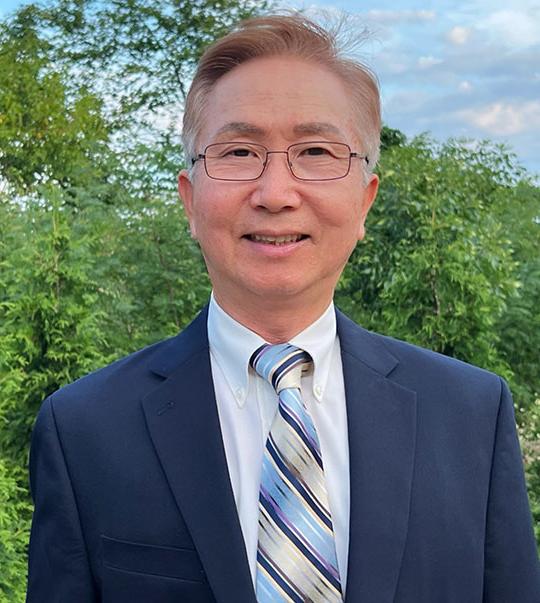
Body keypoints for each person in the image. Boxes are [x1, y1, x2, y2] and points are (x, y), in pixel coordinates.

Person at [26, 13, 539, 603]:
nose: (274, 194)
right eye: (239, 151)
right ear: (190, 201)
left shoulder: (471, 415)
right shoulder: (85, 428)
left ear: (364, 199)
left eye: (316, 151)